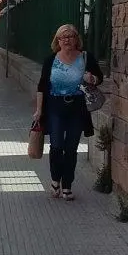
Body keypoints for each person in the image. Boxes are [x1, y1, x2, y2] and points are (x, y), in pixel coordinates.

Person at [33, 24, 103, 201]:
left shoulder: (86, 58)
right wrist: (39, 110)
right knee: (56, 147)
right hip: (55, 107)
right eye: (62, 37)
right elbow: (42, 86)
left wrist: (92, 78)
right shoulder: (51, 60)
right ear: (57, 41)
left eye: (70, 36)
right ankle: (55, 180)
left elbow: (99, 78)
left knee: (71, 149)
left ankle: (67, 186)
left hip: (77, 108)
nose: (66, 40)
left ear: (76, 39)